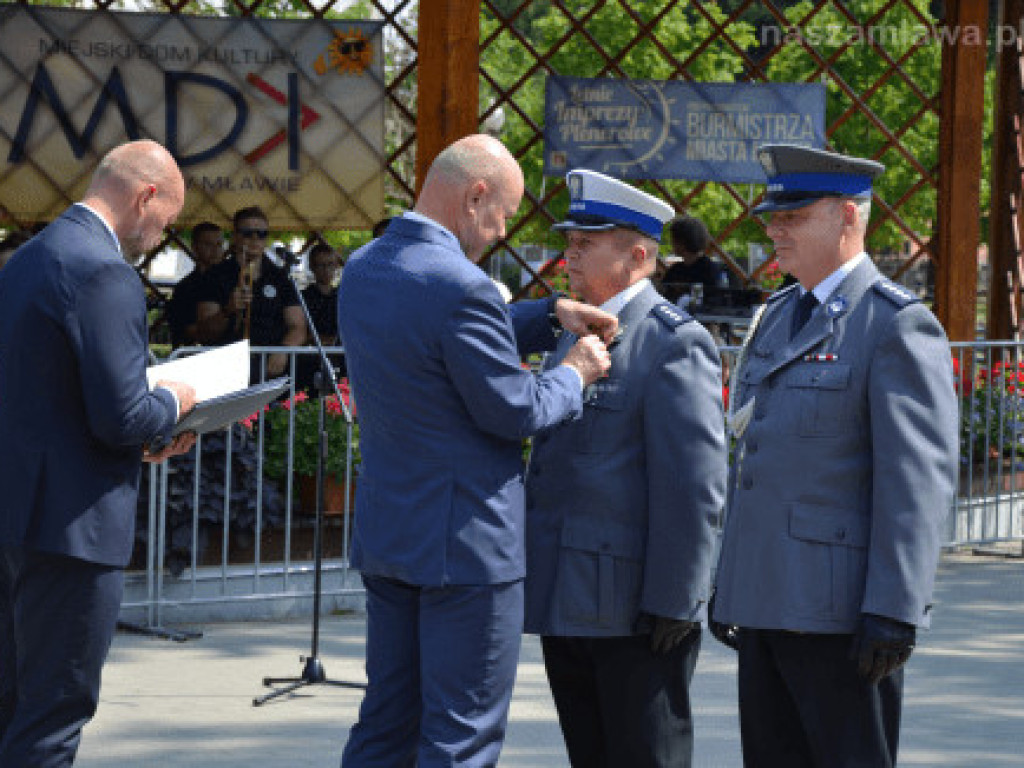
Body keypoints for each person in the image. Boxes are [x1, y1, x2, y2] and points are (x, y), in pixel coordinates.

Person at [337, 134, 617, 767]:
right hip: (465, 548)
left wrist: (546, 314)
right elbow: (516, 409)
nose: (498, 232)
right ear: (476, 194)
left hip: (390, 534)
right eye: (502, 215)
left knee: (385, 726)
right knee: (460, 738)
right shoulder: (461, 286)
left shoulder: (366, 267)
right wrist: (575, 371)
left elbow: (434, 335)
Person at [710, 144, 959, 768]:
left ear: (847, 217)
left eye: (792, 215)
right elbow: (755, 454)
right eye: (773, 215)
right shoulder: (777, 315)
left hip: (841, 616)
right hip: (767, 601)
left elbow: (916, 483)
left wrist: (895, 609)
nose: (773, 227)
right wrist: (729, 583)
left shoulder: (895, 324)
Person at [0, 139, 197, 766]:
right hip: (74, 530)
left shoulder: (30, 258)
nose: (161, 238)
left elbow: (44, 394)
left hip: (17, 517)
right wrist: (176, 402)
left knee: (14, 705)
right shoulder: (104, 271)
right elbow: (124, 418)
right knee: (54, 714)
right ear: (145, 196)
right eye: (166, 221)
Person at [524, 170, 727, 767]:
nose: (571, 251)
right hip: (568, 596)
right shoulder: (574, 333)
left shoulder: (672, 342)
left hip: (636, 610)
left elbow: (695, 484)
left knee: (646, 756)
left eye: (589, 241)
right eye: (571, 239)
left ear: (638, 255)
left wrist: (677, 598)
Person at [195, 206, 306, 380]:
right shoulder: (214, 276)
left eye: (261, 234)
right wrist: (227, 310)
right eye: (247, 233)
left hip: (269, 369)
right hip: (225, 369)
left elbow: (298, 327)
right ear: (235, 237)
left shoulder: (280, 277)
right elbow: (204, 333)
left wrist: (284, 350)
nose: (255, 238)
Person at [295, 242, 344, 393]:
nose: (326, 270)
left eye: (330, 264)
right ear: (312, 267)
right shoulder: (302, 297)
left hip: (338, 359)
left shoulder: (343, 296)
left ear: (336, 265)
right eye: (321, 265)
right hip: (310, 359)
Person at [166, 220, 224, 348]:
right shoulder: (185, 287)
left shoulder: (230, 281)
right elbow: (189, 331)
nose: (215, 250)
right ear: (194, 247)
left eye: (219, 244)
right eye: (208, 245)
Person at [661, 214, 728, 302]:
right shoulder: (675, 269)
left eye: (673, 239)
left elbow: (716, 301)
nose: (671, 243)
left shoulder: (710, 271)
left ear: (682, 241)